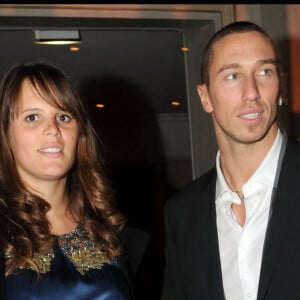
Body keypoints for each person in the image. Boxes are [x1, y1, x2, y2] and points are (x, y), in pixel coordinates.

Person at [162, 20, 300, 300]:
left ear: (281, 86)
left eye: (264, 72)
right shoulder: (182, 214)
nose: (252, 92)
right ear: (205, 97)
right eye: (232, 76)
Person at [0, 61, 133, 299]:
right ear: (6, 134)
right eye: (32, 117)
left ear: (79, 135)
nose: (53, 129)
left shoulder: (111, 230)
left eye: (63, 116)